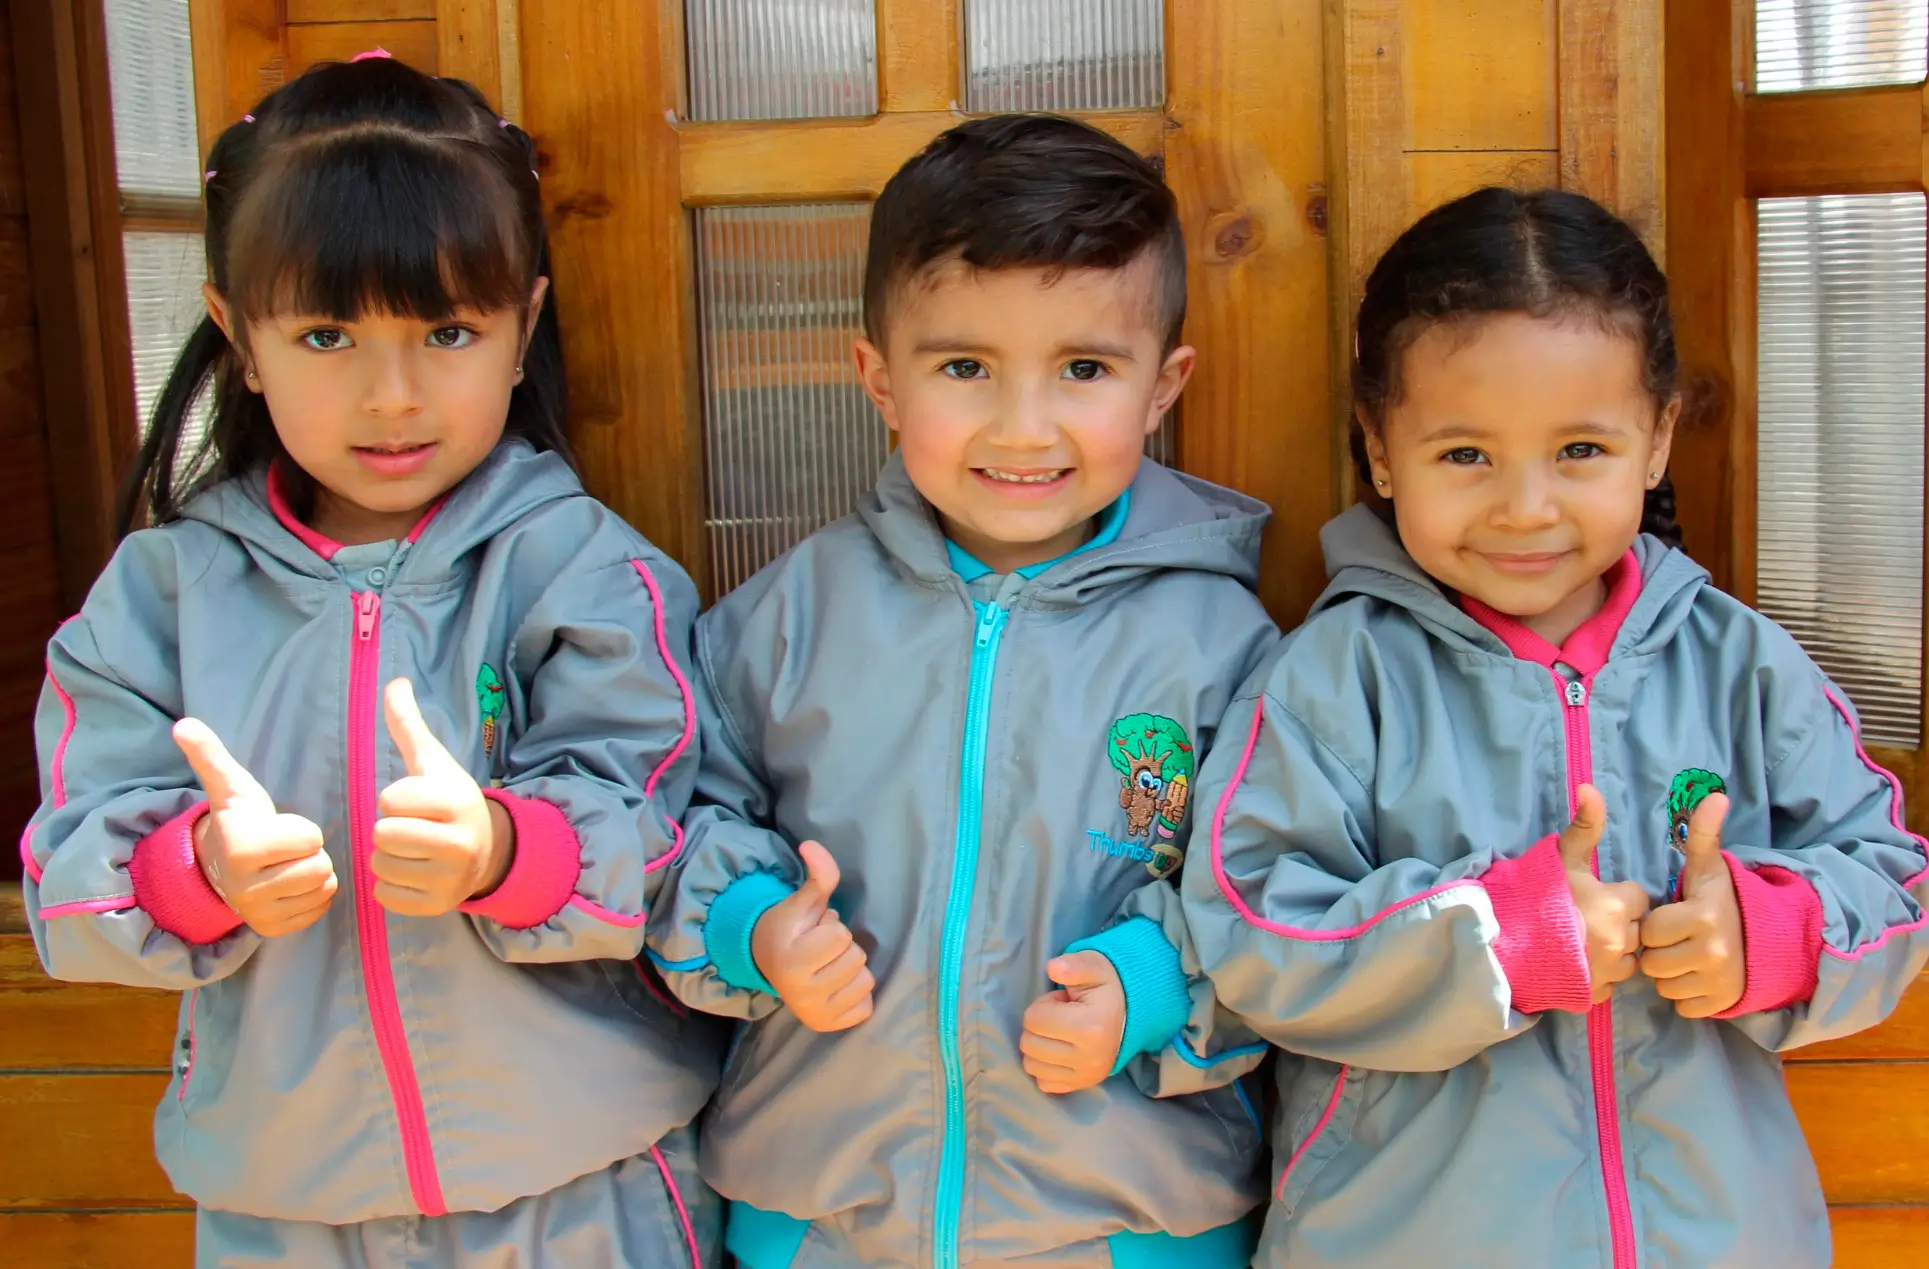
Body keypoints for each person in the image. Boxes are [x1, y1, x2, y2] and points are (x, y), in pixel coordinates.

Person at [20, 53, 723, 1269]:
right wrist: (196, 874)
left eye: (448, 329)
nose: (393, 395)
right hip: (285, 1203)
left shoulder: (584, 572)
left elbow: (657, 839)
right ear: (239, 336)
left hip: (581, 1188)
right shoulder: (162, 595)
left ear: (523, 328)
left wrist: (509, 849)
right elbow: (69, 887)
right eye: (328, 332)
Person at [1186, 186, 1929, 1268]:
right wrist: (1497, 940)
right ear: (1381, 450)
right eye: (1465, 456)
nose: (1526, 508)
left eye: (1580, 450)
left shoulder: (1741, 665)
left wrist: (1773, 934)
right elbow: (1251, 928)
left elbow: (1896, 885)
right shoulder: (1338, 679)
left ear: (1660, 436)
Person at [647, 114, 1278, 1268]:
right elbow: (677, 821)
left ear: (1163, 385)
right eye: (964, 368)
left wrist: (1149, 987)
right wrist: (750, 927)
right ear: (879, 380)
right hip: (822, 1219)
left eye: (1083, 369)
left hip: (1126, 1227)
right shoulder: (785, 621)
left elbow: (1282, 902)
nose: (1022, 426)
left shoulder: (1226, 648)